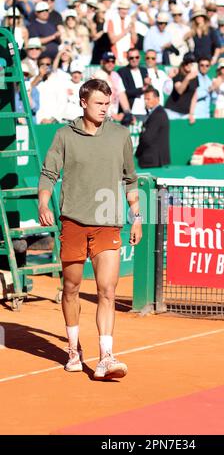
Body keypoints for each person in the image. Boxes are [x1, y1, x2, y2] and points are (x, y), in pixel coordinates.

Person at [38, 79, 142, 380]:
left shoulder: (121, 135)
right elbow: (48, 174)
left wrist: (138, 217)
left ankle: (106, 357)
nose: (104, 109)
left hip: (108, 223)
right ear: (83, 102)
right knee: (70, 288)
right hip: (72, 222)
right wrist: (44, 204)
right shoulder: (63, 136)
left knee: (107, 290)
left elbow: (131, 179)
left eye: (107, 103)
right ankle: (73, 349)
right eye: (99, 103)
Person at [136, 86, 170, 168]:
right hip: (154, 159)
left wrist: (138, 152)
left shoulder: (158, 114)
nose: (146, 102)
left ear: (157, 99)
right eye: (145, 99)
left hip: (153, 160)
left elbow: (147, 137)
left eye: (148, 99)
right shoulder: (158, 113)